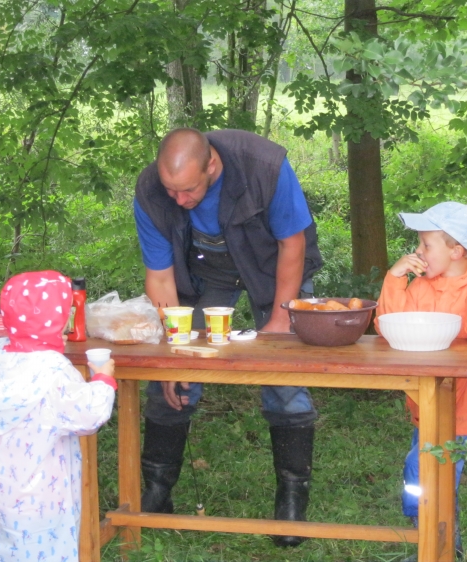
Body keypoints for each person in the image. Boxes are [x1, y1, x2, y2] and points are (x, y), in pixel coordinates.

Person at [133, 128, 323, 546]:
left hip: (274, 264)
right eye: (171, 190)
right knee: (169, 376)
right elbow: (160, 277)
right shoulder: (150, 191)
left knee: (284, 377)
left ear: (212, 165)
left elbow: (292, 244)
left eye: (188, 190)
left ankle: (291, 503)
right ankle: (157, 493)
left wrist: (279, 321)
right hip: (205, 270)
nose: (178, 200)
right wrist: (173, 352)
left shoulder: (264, 167)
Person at [374, 202, 467, 560]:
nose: (417, 251)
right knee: (429, 473)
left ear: (456, 251)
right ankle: (435, 538)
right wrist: (395, 278)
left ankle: (439, 542)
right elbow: (389, 327)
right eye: (418, 244)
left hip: (463, 406)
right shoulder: (421, 286)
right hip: (425, 399)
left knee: (427, 468)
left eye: (425, 244)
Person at [0, 271, 117, 562]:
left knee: (8, 542)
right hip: (44, 488)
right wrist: (102, 379)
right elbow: (89, 414)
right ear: (60, 319)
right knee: (46, 548)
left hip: (1, 479)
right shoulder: (53, 371)